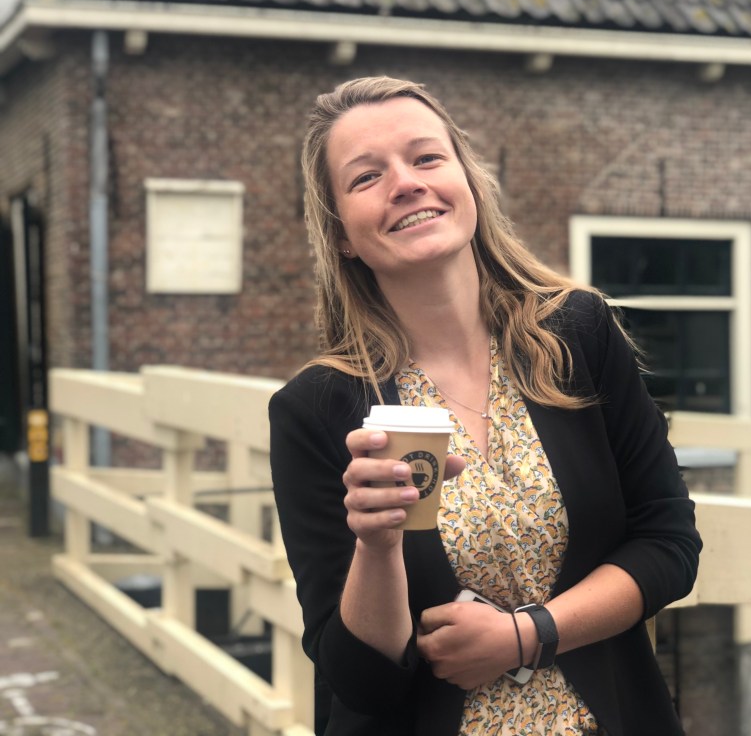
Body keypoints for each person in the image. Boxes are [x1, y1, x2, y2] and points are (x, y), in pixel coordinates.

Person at [269, 75, 702, 736]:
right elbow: (361, 685)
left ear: (466, 182)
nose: (405, 183)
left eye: (426, 157)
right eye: (366, 177)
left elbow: (668, 543)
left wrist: (527, 637)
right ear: (341, 234)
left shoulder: (578, 335)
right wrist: (377, 546)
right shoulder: (316, 409)